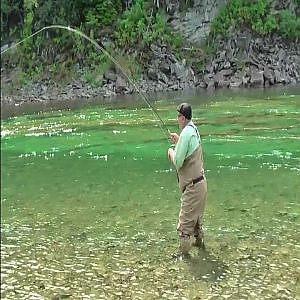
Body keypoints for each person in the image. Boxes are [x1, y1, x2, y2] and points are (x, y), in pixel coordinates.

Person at [167, 103, 207, 256]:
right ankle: (203, 252)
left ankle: (184, 260)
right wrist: (179, 142)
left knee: (184, 229)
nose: (177, 119)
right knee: (196, 226)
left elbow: (178, 161)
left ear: (182, 118)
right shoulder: (193, 130)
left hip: (192, 188)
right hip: (201, 185)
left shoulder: (186, 134)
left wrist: (171, 151)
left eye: (178, 117)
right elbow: (188, 150)